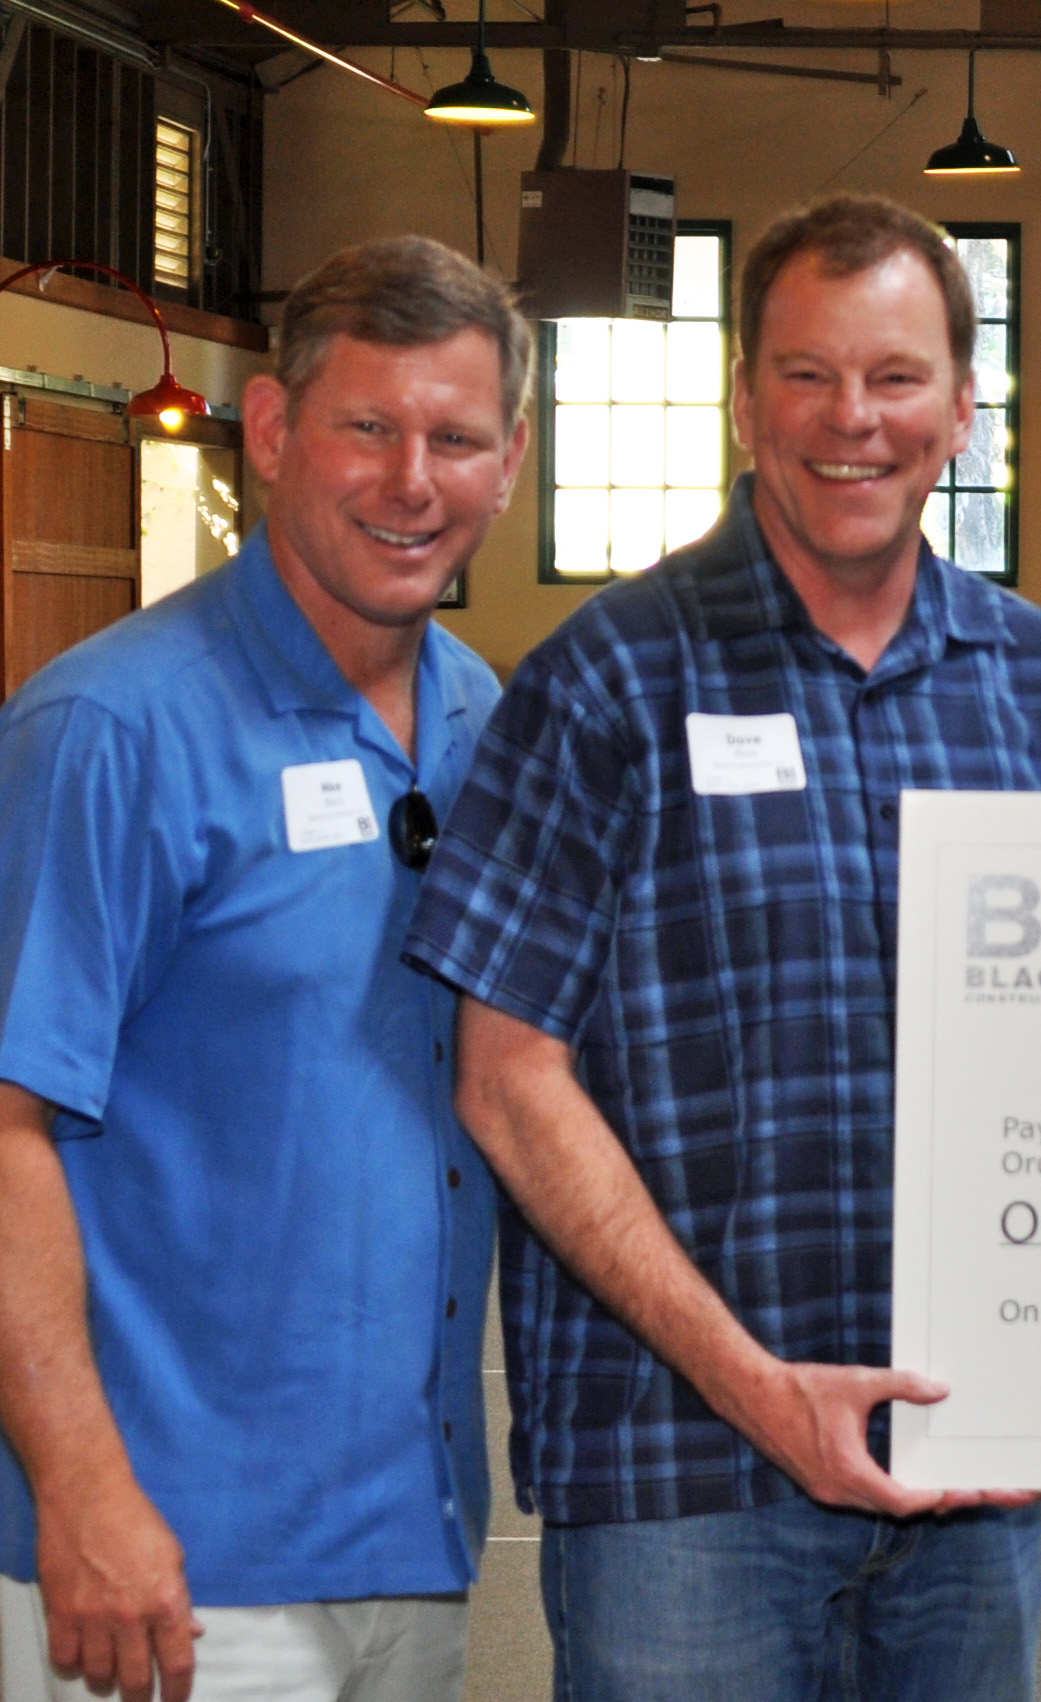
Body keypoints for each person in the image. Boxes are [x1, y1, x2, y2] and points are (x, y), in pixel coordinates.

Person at [401, 193, 1041, 1701]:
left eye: (893, 377)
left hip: (969, 1477)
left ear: (962, 407)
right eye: (806, 375)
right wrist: (757, 1388)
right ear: (745, 404)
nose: (849, 420)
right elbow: (506, 1077)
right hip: (683, 1480)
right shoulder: (607, 684)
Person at [0, 237, 525, 1702]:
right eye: (367, 426)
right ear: (276, 431)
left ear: (508, 464)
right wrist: (88, 1495)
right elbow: (3, 1131)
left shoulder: (493, 724)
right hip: (163, 1568)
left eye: (454, 437)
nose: (410, 478)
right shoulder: (113, 731)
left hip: (408, 1543)